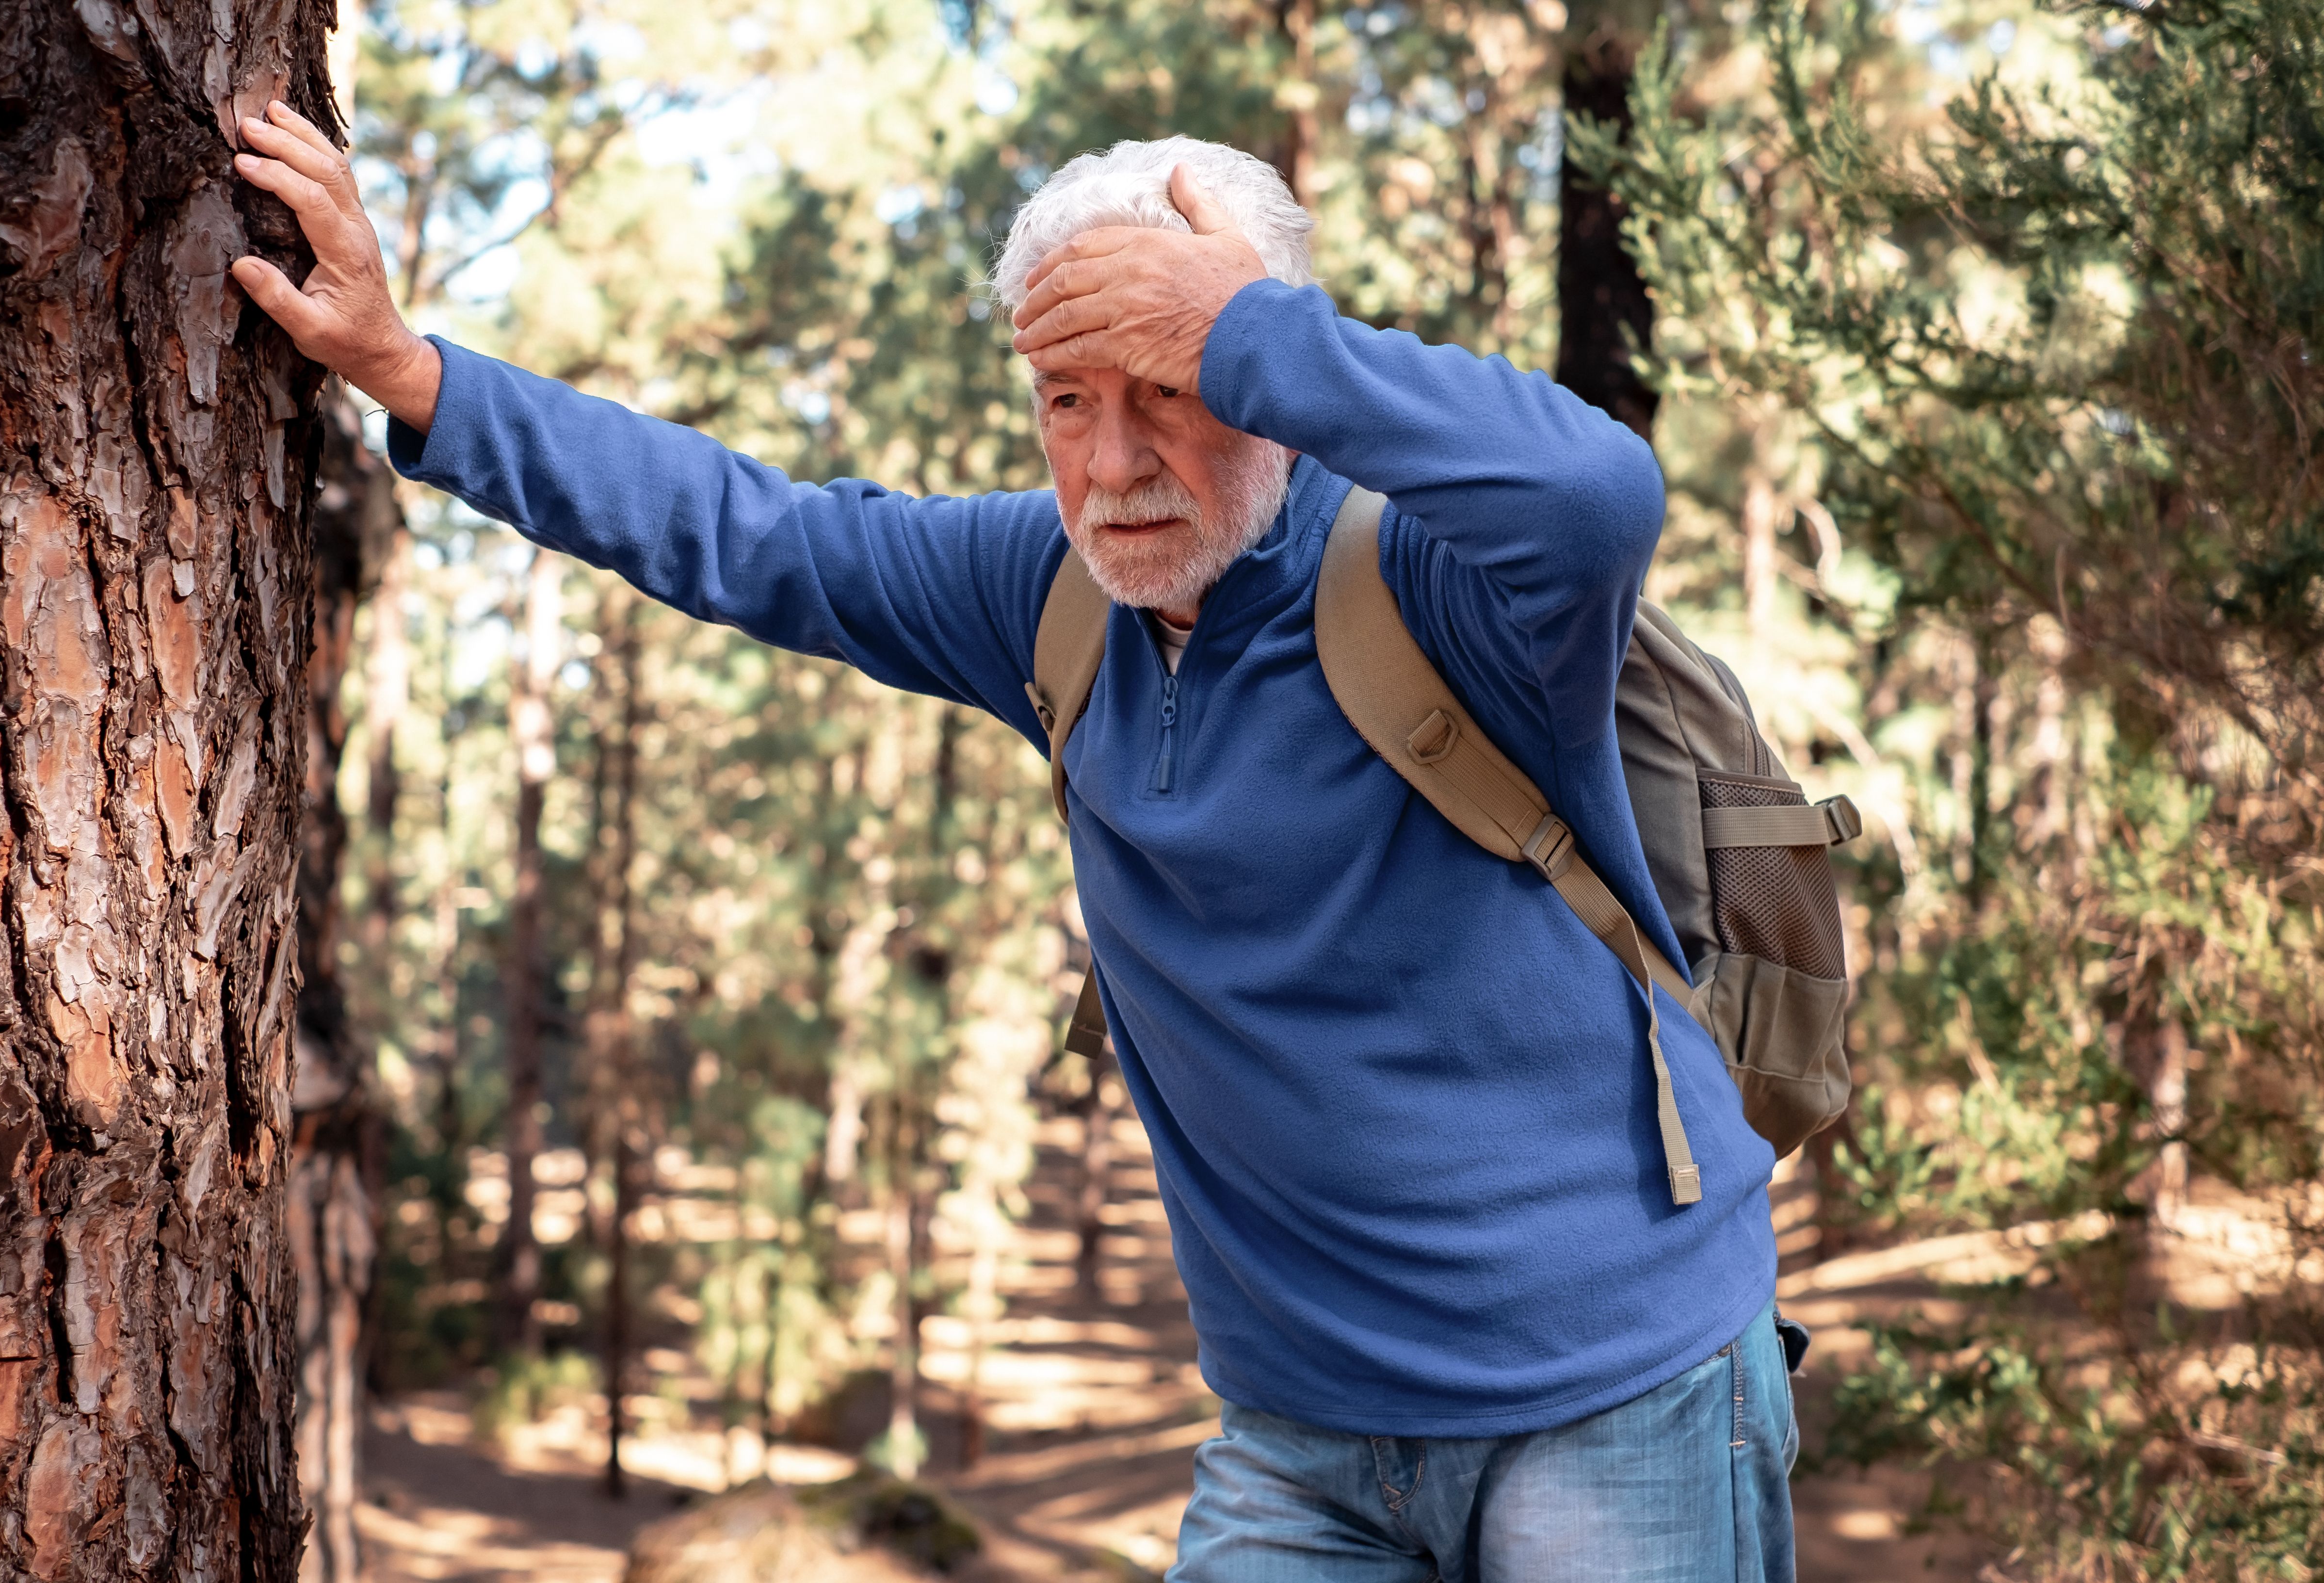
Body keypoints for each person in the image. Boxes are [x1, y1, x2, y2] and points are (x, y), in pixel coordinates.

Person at [231, 98, 1796, 1580]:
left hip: (1617, 1388)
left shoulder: (1450, 590)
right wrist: (410, 370)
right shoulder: (1043, 597)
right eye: (1068, 402)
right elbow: (749, 532)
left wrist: (1242, 328)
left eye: (1170, 393)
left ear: (1271, 385)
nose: (1111, 471)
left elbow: (1599, 492)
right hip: (1305, 1435)